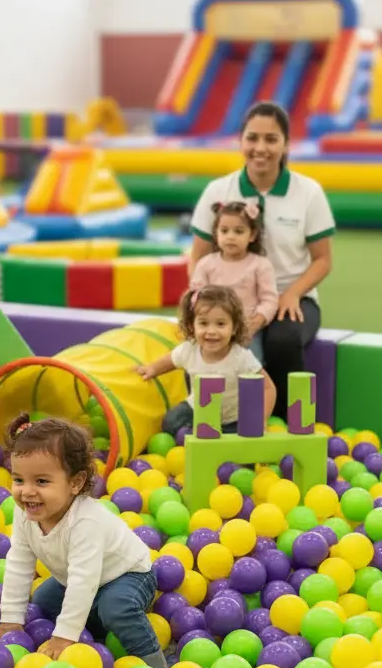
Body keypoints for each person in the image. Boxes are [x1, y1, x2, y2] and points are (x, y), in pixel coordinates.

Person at [0, 414, 167, 668]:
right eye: (18, 480)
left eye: (41, 481)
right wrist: (11, 621)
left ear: (75, 483)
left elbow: (84, 579)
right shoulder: (26, 513)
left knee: (115, 608)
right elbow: (18, 563)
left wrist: (64, 636)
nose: (26, 491)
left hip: (129, 574)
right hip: (78, 580)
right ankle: (99, 628)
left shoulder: (85, 521)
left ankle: (156, 667)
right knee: (44, 599)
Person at [187, 101, 334, 419]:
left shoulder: (308, 192)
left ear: (286, 145)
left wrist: (293, 293)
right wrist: (201, 302)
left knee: (284, 340)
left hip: (289, 297)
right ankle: (212, 420)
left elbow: (323, 260)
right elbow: (197, 256)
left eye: (271, 139)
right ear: (241, 142)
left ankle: (286, 422)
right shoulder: (218, 190)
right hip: (229, 299)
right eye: (252, 138)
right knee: (207, 340)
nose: (261, 148)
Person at [136, 284, 275, 436]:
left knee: (237, 440)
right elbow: (171, 360)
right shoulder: (189, 349)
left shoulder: (241, 357)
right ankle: (192, 435)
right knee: (171, 421)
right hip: (197, 410)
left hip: (232, 418)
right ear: (192, 325)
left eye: (221, 324)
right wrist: (152, 369)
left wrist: (260, 419)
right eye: (203, 323)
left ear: (234, 327)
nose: (211, 331)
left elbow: (268, 388)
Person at [190, 200, 278, 358]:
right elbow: (196, 295)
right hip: (212, 330)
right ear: (216, 234)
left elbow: (269, 299)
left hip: (247, 330)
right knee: (199, 362)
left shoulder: (260, 265)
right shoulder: (206, 264)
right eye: (224, 231)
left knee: (250, 366)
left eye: (238, 231)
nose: (230, 237)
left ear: (252, 235)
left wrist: (257, 321)